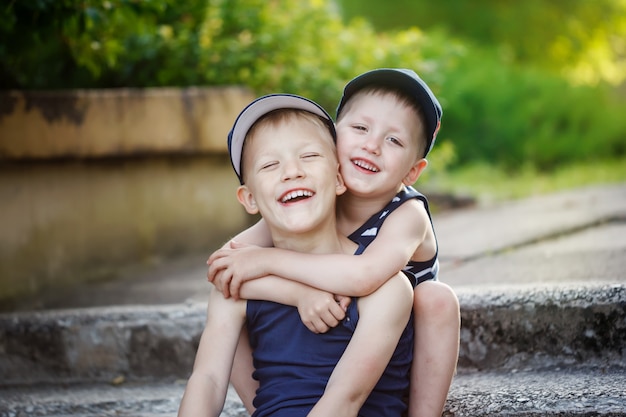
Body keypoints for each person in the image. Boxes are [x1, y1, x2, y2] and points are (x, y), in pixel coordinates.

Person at [208, 69, 461, 417]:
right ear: (333, 134)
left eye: (394, 141)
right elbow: (228, 263)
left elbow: (365, 275)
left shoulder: (407, 214)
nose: (372, 146)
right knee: (233, 292)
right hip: (327, 336)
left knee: (437, 299)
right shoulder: (312, 196)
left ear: (412, 172)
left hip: (391, 339)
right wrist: (296, 293)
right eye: (360, 128)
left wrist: (267, 262)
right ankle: (267, 407)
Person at [178, 94, 415, 417]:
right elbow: (207, 380)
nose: (291, 172)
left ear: (338, 179)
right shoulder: (238, 288)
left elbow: (344, 400)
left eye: (309, 156)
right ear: (249, 199)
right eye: (270, 164)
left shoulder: (386, 289)